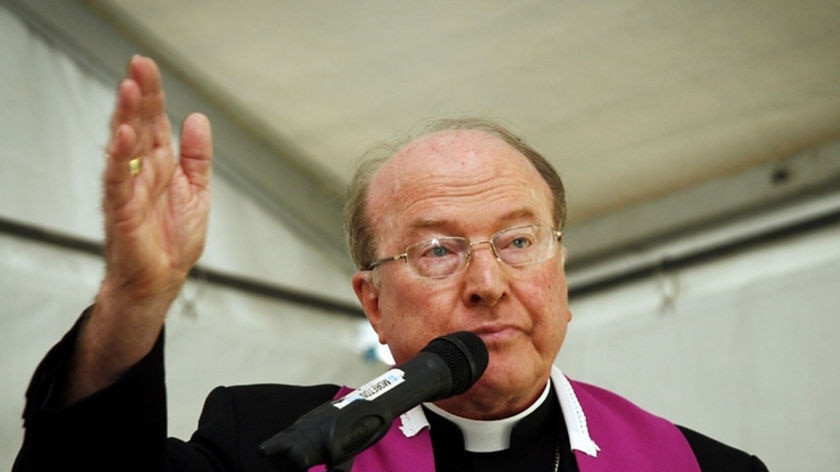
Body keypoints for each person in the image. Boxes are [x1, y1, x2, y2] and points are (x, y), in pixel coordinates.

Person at [13, 55, 769, 472]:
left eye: (518, 241)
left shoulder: (703, 470)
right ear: (372, 303)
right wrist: (134, 299)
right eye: (439, 250)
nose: (487, 283)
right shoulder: (274, 439)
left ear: (562, 273)